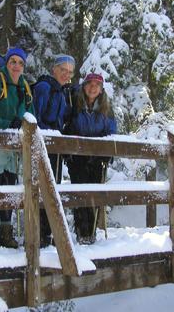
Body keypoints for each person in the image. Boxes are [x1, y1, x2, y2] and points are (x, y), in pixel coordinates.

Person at [0, 47, 34, 250]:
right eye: (13, 62)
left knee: (10, 185)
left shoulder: (24, 87)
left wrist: (22, 128)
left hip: (14, 144)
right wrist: (5, 124)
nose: (17, 66)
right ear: (7, 63)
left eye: (20, 62)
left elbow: (30, 114)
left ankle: (6, 232)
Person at [65, 73, 117, 244]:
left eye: (97, 85)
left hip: (97, 158)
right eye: (90, 84)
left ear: (101, 89)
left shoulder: (106, 108)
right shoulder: (74, 103)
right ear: (84, 86)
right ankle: (81, 233)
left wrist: (107, 153)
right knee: (79, 195)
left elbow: (111, 132)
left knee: (93, 195)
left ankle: (91, 233)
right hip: (77, 157)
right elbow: (67, 125)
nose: (93, 88)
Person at [32, 54, 76, 247]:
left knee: (53, 188)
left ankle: (47, 233)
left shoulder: (62, 92)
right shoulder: (44, 88)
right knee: (42, 188)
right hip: (42, 145)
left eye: (69, 72)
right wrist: (50, 135)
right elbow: (35, 117)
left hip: (55, 148)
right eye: (63, 70)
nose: (66, 75)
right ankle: (38, 233)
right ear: (54, 70)